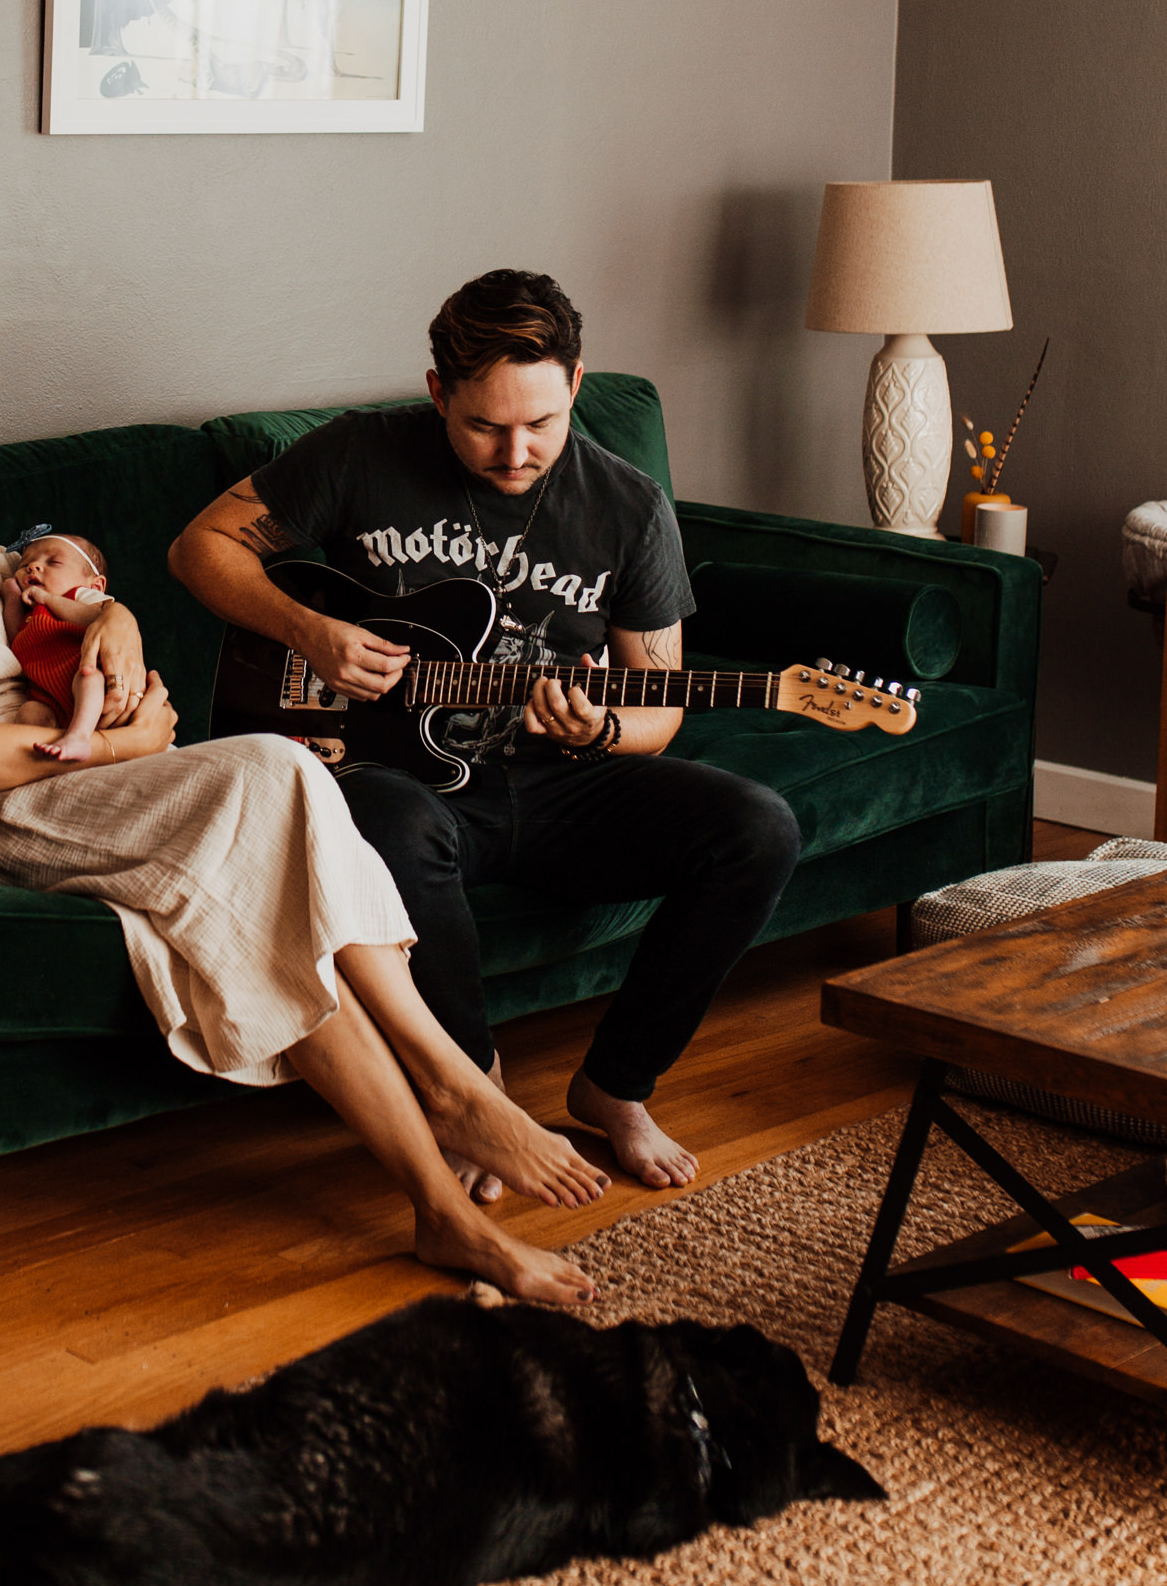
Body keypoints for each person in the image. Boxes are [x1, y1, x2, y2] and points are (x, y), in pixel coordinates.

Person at [0, 304, 606, 1306]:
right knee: (279, 775)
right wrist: (113, 743)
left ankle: (444, 1211)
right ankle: (453, 1085)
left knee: (275, 870)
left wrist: (113, 613)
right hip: (9, 804)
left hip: (93, 755)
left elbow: (47, 616)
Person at [169, 268, 802, 1194]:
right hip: (397, 776)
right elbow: (199, 548)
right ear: (437, 393)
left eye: (541, 423)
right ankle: (475, 1092)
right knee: (386, 821)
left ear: (576, 385)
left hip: (558, 781)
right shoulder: (358, 454)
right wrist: (308, 629)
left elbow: (658, 704)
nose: (515, 452)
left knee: (759, 828)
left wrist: (597, 730)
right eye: (484, 425)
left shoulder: (628, 506)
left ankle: (615, 1088)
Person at [0, 528, 113, 763]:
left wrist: (49, 599)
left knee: (90, 676)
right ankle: (48, 753)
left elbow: (97, 620)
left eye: (54, 562)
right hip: (47, 696)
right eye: (25, 564)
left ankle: (80, 737)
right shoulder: (30, 614)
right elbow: (16, 640)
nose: (33, 567)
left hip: (87, 679)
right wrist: (11, 598)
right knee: (29, 712)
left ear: (96, 586)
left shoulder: (81, 596)